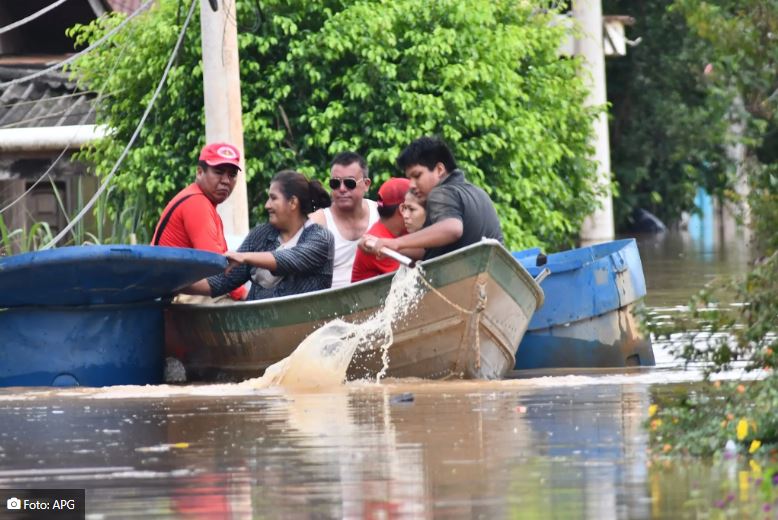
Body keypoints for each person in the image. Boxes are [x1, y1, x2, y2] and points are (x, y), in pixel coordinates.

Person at [184, 170, 334, 300]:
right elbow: (221, 281)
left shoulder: (320, 238)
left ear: (293, 203)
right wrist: (176, 285)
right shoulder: (261, 235)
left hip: (308, 328)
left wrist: (245, 257)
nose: (267, 205)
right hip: (255, 327)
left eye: (273, 198)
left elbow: (290, 259)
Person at [359, 136, 503, 260]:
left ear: (439, 170)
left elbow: (452, 229)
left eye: (417, 176)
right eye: (410, 178)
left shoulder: (441, 193)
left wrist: (397, 243)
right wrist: (387, 245)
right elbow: (428, 251)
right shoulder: (477, 192)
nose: (412, 185)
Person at [151, 142, 246, 301]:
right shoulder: (197, 203)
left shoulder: (204, 202)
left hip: (176, 291)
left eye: (232, 174)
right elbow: (217, 266)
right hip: (174, 296)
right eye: (219, 172)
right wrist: (245, 295)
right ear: (200, 172)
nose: (226, 181)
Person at [309, 151, 379, 288]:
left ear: (366, 184)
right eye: (335, 183)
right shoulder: (316, 222)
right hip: (333, 303)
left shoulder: (380, 213)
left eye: (349, 183)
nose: (342, 189)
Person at [351, 178, 412, 282]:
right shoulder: (378, 244)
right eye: (417, 206)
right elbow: (413, 283)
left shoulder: (398, 231)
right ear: (403, 209)